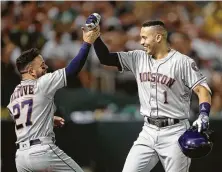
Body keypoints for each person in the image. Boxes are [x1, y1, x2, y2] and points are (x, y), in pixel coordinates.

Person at [87, 14, 212, 172]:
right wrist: (96, 36)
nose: (141, 42)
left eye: (145, 37)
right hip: (148, 131)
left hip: (175, 131)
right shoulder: (138, 57)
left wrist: (204, 114)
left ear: (158, 37)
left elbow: (202, 90)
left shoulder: (182, 62)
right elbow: (105, 58)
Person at [6, 26, 100, 172]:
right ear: (31, 71)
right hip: (42, 152)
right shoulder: (42, 83)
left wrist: (48, 118)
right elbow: (72, 70)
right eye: (42, 66)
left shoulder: (15, 94)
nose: (46, 67)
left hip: (21, 158)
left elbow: (22, 117)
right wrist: (87, 43)